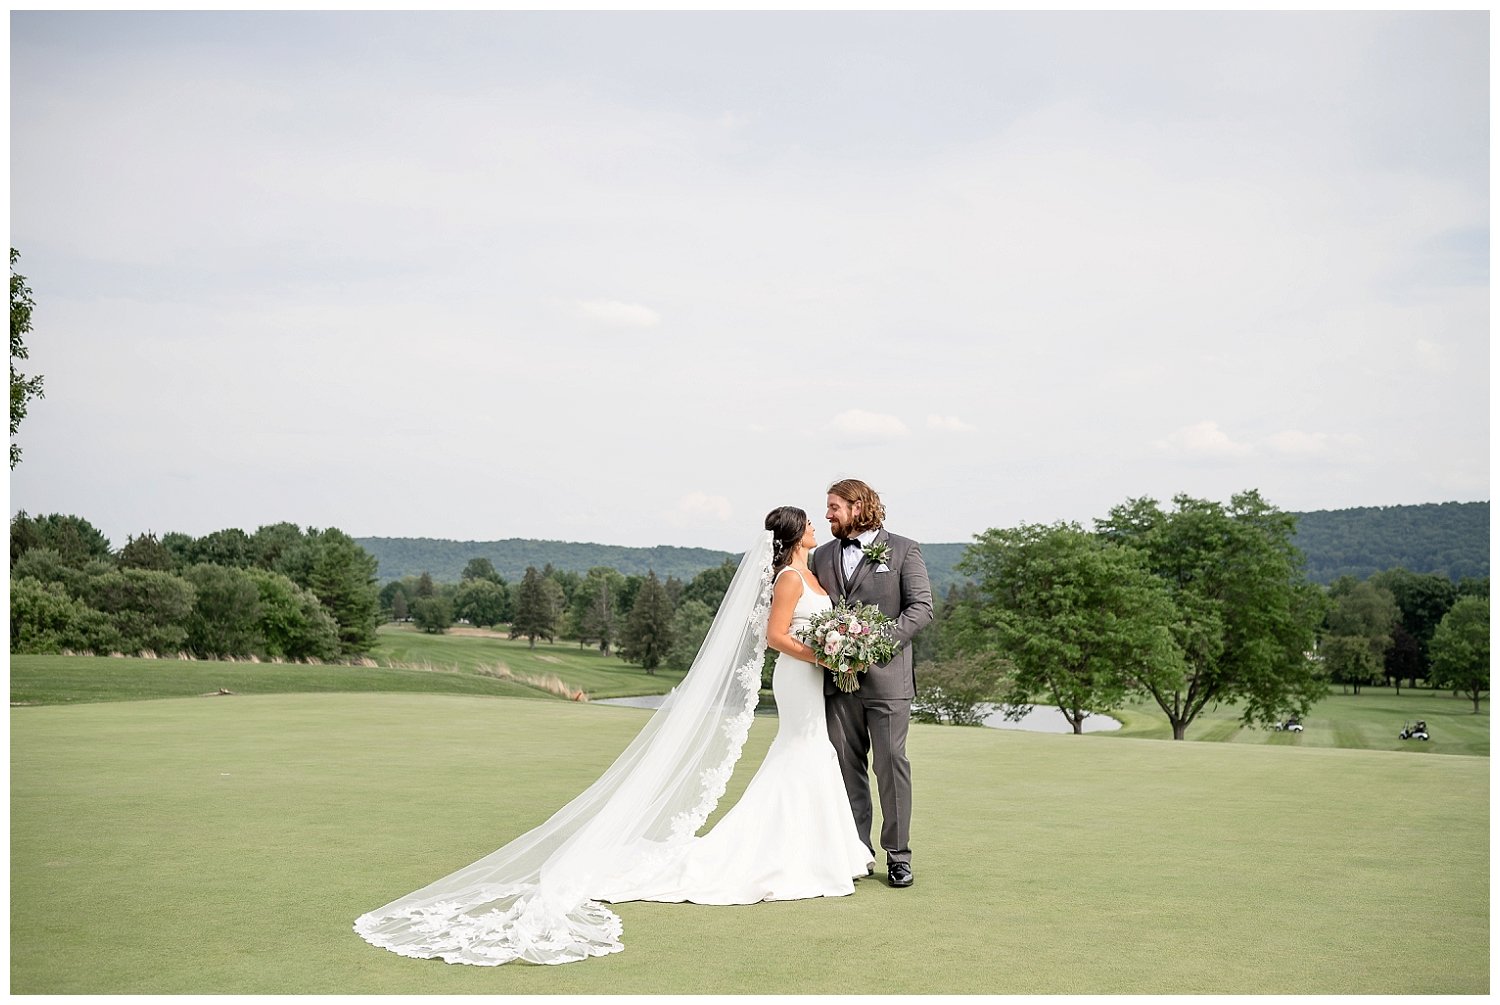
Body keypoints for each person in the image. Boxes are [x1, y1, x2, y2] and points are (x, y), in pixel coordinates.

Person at [354, 506, 872, 967]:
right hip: (799, 674)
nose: (815, 526)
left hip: (814, 677)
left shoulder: (812, 573)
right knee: (801, 750)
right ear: (793, 534)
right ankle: (784, 855)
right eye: (809, 521)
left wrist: (838, 647)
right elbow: (775, 636)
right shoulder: (787, 578)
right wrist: (823, 654)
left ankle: (821, 853)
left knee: (811, 751)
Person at [810, 478, 933, 888]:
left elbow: (921, 608)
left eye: (833, 507)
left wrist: (874, 645)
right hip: (836, 681)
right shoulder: (821, 555)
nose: (827, 514)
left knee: (891, 766)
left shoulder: (903, 549)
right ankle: (856, 851)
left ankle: (898, 855)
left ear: (859, 505)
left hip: (888, 680)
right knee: (846, 768)